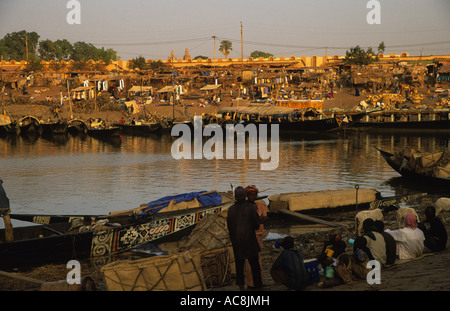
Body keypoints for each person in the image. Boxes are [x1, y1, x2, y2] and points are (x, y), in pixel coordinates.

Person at [227, 186, 262, 291]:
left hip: (237, 242)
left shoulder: (231, 210)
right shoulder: (251, 208)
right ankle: (258, 287)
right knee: (255, 266)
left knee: (239, 267)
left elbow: (229, 227)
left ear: (235, 197)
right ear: (245, 196)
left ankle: (241, 287)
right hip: (250, 241)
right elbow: (256, 225)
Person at [244, 185, 268, 288]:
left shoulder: (260, 205)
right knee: (249, 260)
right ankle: (250, 283)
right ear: (247, 195)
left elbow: (265, 217)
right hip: (248, 236)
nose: (252, 196)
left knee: (258, 258)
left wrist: (258, 221)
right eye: (250, 195)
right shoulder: (244, 207)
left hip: (258, 235)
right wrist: (258, 220)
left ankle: (259, 282)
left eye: (254, 195)